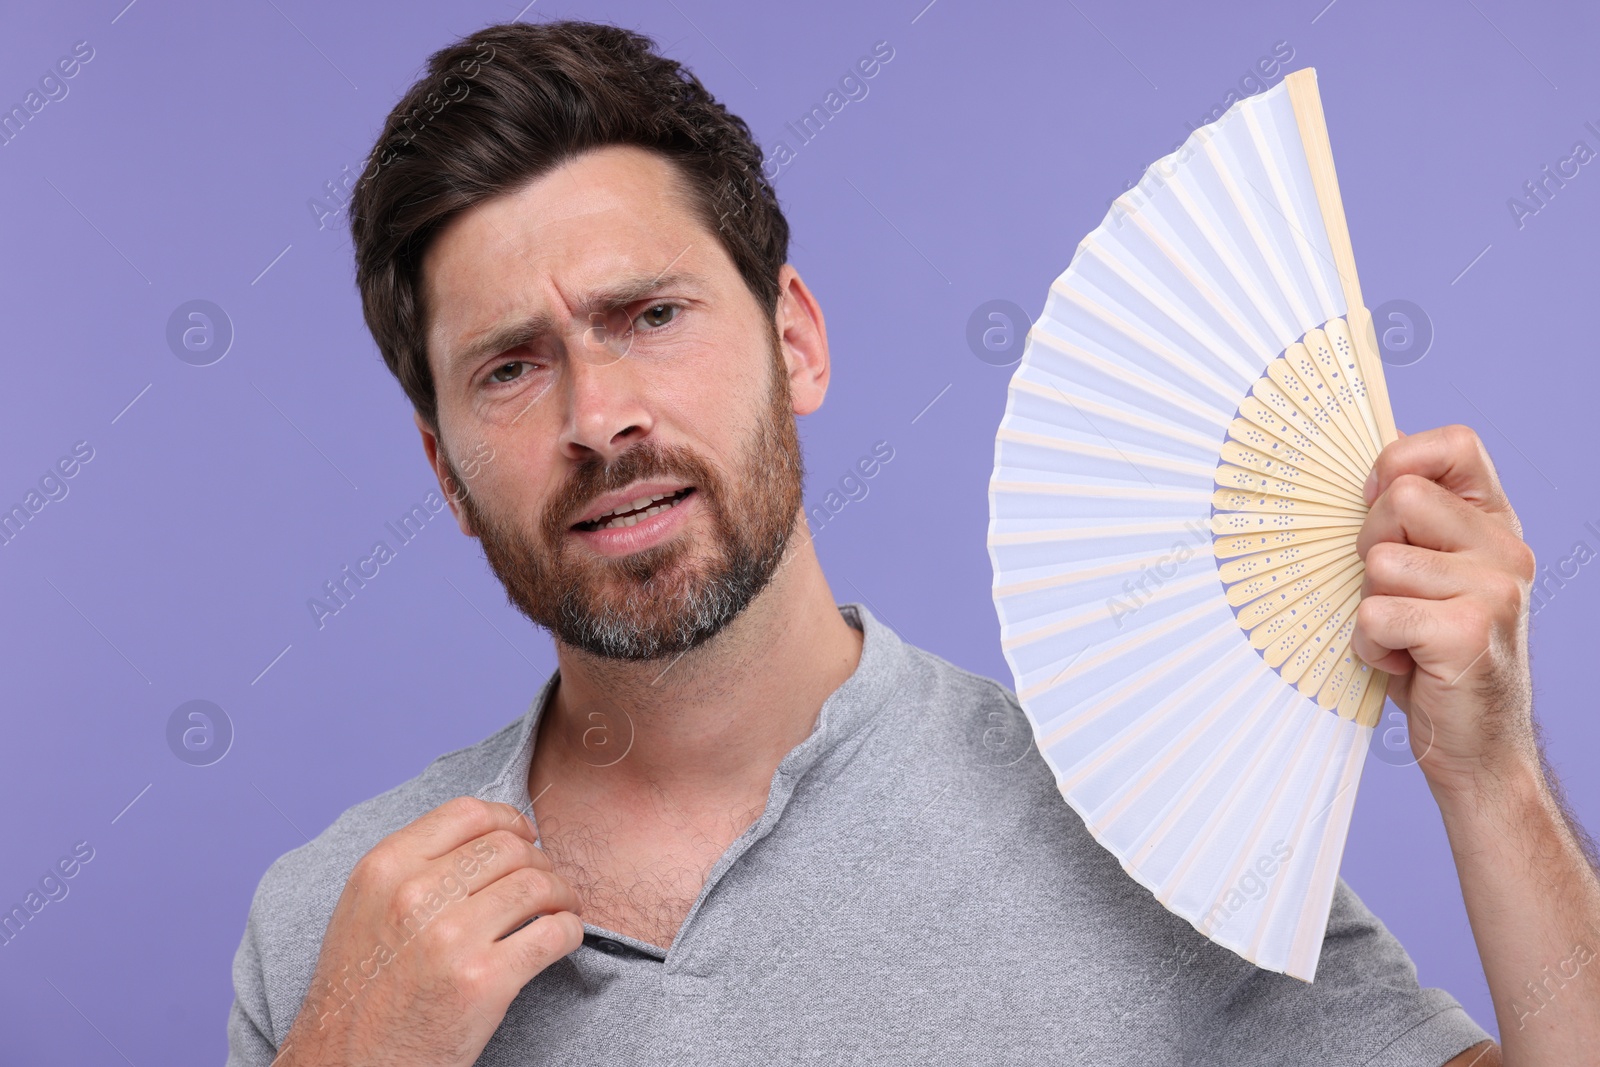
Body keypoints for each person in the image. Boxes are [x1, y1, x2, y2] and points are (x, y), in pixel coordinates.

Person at [226, 19, 1599, 1067]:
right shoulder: (336, 931)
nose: (602, 417)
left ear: (795, 340)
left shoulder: (1134, 825)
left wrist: (1491, 778)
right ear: (445, 472)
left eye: (649, 315)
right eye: (513, 368)